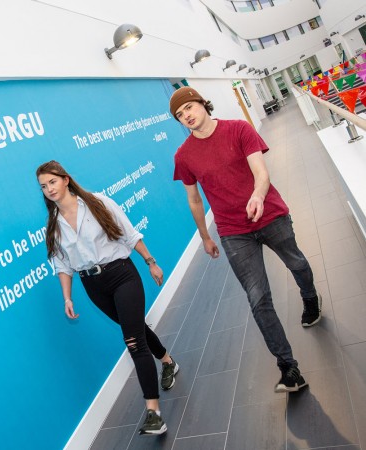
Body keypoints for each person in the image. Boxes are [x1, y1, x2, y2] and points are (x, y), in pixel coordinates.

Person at [170, 87, 321, 394]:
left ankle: (310, 298)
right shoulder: (183, 156)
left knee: (297, 263)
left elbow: (261, 173)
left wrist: (257, 195)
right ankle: (288, 367)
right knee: (258, 298)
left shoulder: (239, 129)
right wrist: (205, 235)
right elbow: (194, 200)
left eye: (188, 107)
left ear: (202, 103)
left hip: (271, 216)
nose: (186, 115)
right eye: (179, 114)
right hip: (232, 232)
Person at [36, 160, 178, 436]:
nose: (49, 189)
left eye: (52, 182)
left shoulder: (97, 203)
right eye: (43, 186)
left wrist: (150, 261)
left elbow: (128, 233)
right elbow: (62, 265)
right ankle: (168, 361)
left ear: (65, 179)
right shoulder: (52, 225)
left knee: (133, 341)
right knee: (135, 330)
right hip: (93, 286)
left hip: (122, 275)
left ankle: (153, 412)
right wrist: (67, 298)